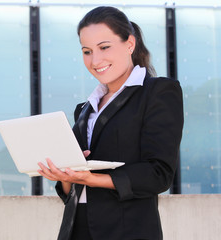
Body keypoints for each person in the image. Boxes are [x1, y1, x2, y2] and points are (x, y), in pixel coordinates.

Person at [37, 6, 184, 240]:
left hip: (126, 231)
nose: (95, 60)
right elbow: (72, 192)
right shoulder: (85, 109)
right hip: (75, 229)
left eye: (104, 47)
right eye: (87, 51)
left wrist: (92, 178)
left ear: (130, 44)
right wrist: (66, 175)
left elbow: (159, 174)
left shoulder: (158, 92)